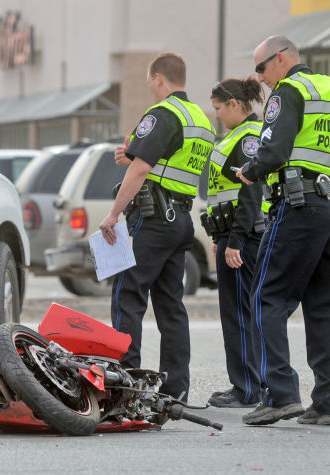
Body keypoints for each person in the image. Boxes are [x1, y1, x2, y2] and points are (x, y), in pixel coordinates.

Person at [236, 35, 330, 425]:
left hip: (298, 206)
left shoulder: (288, 90)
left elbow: (273, 150)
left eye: (261, 68)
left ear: (280, 59)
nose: (260, 78)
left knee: (266, 297)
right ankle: (328, 404)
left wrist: (250, 171)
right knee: (324, 305)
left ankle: (281, 396)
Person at [99, 52, 215, 401]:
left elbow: (141, 170)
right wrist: (133, 155)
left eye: (150, 80)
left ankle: (124, 385)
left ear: (159, 78)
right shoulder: (201, 119)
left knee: (128, 295)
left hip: (152, 218)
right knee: (171, 306)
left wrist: (113, 215)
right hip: (180, 220)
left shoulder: (163, 113)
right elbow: (169, 160)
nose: (149, 86)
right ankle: (175, 389)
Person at [202, 78, 267, 408]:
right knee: (240, 311)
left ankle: (247, 388)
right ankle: (250, 384)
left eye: (218, 109)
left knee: (239, 314)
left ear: (235, 105)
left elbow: (251, 193)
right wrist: (220, 237)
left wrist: (236, 241)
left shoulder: (247, 140)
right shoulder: (236, 138)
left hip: (244, 236)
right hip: (232, 234)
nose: (216, 115)